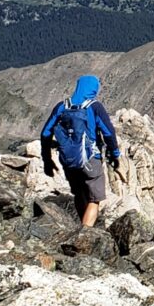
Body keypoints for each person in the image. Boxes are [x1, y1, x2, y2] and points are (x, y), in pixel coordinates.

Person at [39, 74, 121, 228]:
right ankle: (84, 234)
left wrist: (47, 160)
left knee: (79, 194)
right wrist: (115, 154)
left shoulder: (62, 106)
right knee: (94, 200)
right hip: (90, 159)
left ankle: (81, 229)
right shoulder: (94, 107)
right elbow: (108, 133)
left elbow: (45, 133)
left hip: (69, 160)